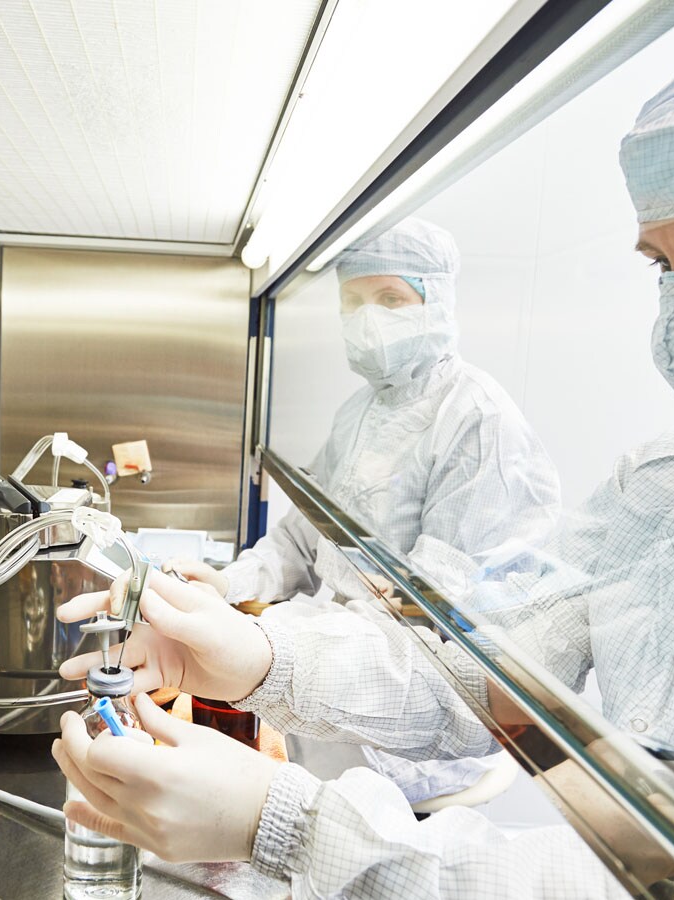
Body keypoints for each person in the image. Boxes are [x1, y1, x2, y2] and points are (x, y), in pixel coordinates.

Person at [53, 4, 674, 897]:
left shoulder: (479, 422)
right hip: (362, 758)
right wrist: (259, 656)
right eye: (661, 264)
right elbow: (479, 656)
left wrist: (288, 824)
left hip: (418, 796)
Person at [165, 216, 560, 804]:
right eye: (353, 302)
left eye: (391, 298)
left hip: (403, 738)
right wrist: (228, 582)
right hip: (326, 686)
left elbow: (428, 618)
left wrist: (264, 639)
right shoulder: (360, 413)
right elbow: (303, 536)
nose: (368, 319)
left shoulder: (477, 422)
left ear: (436, 302)